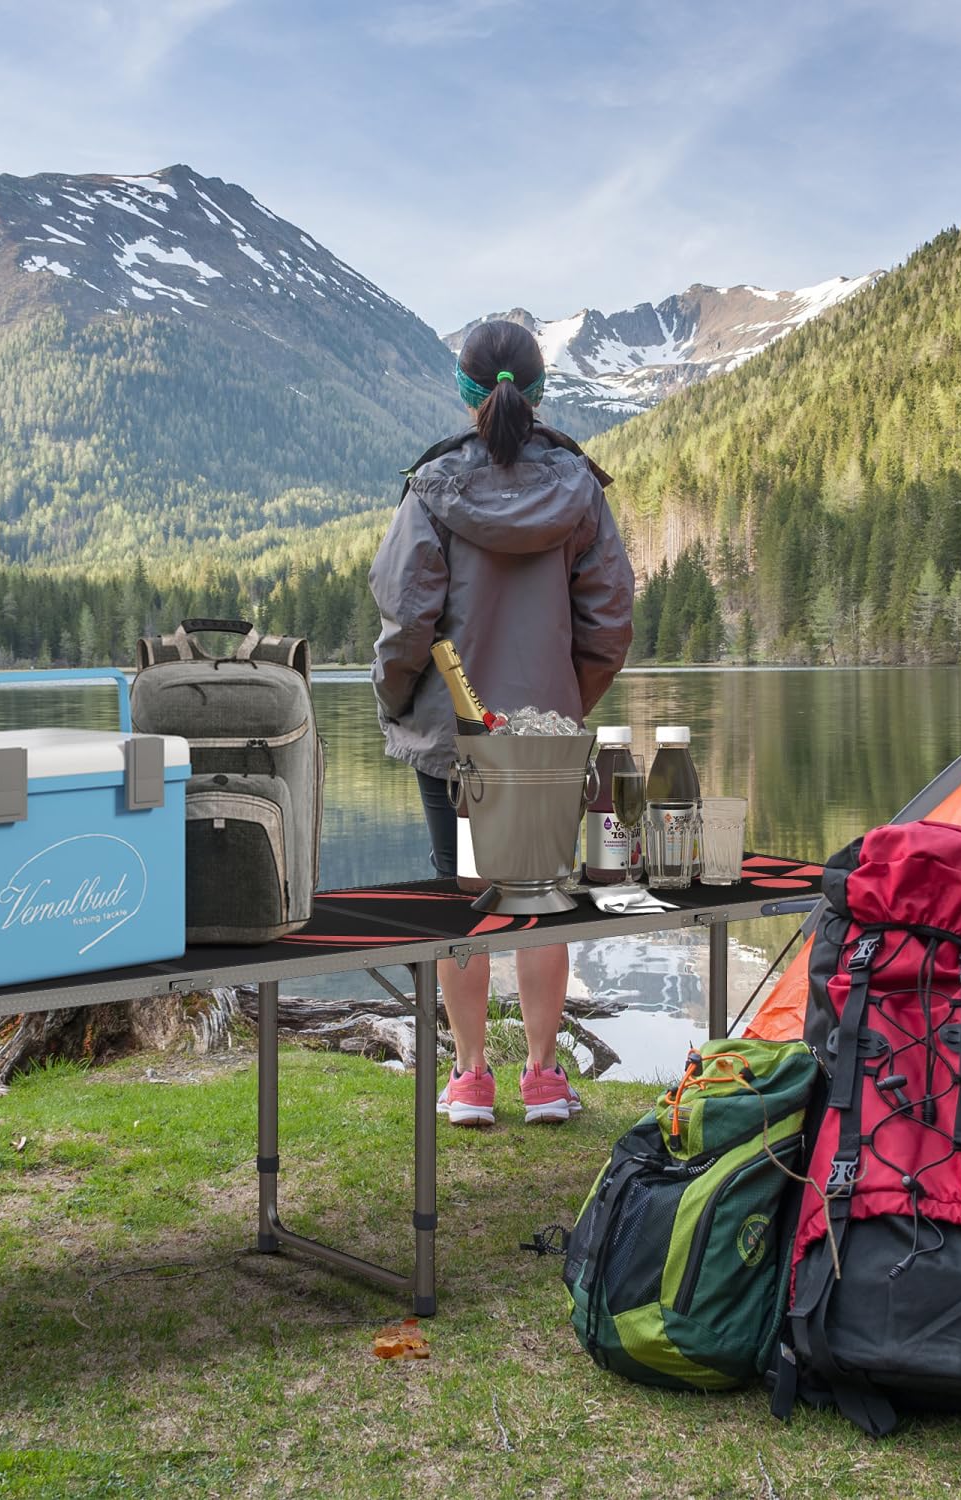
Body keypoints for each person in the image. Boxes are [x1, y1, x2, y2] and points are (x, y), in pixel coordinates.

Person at [368, 319, 634, 1126]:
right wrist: (560, 705)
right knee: (542, 894)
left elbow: (406, 617)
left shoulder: (434, 486)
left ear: (465, 390)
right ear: (539, 388)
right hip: (546, 735)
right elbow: (610, 622)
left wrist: (397, 697)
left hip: (455, 737)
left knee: (466, 899)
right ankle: (545, 1078)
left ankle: (472, 1078)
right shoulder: (579, 488)